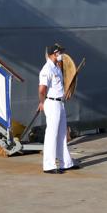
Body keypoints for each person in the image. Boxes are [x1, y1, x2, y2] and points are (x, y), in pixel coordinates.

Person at [38, 43, 75, 174]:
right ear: (54, 54)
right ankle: (49, 165)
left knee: (62, 134)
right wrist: (42, 103)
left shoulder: (57, 67)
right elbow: (42, 89)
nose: (61, 55)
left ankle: (66, 163)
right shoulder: (47, 69)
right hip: (52, 103)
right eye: (59, 52)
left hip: (60, 103)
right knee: (51, 135)